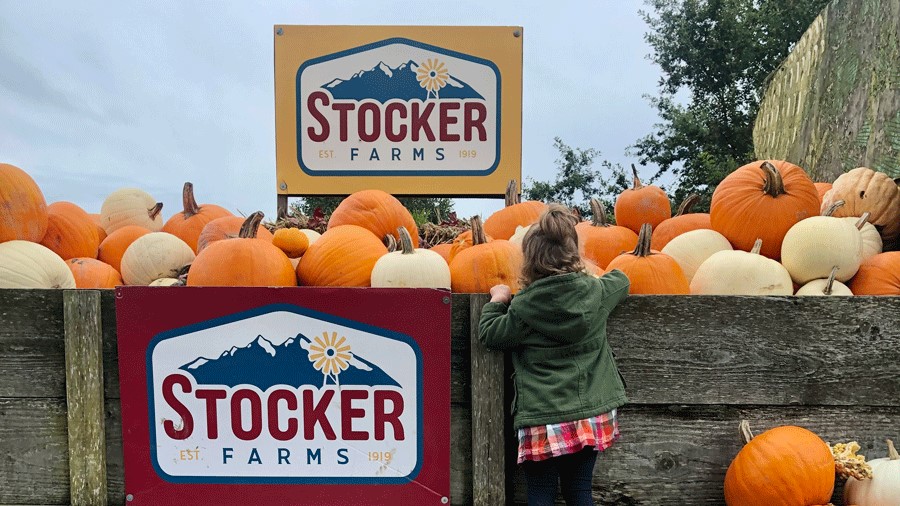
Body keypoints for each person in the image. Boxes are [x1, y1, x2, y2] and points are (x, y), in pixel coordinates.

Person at [478, 203, 630, 506]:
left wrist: (498, 299)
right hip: (590, 412)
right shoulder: (597, 292)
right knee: (579, 491)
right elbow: (623, 280)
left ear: (528, 263)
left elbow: (490, 334)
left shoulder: (522, 308)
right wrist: (588, 276)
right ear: (575, 253)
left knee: (541, 493)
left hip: (542, 414)